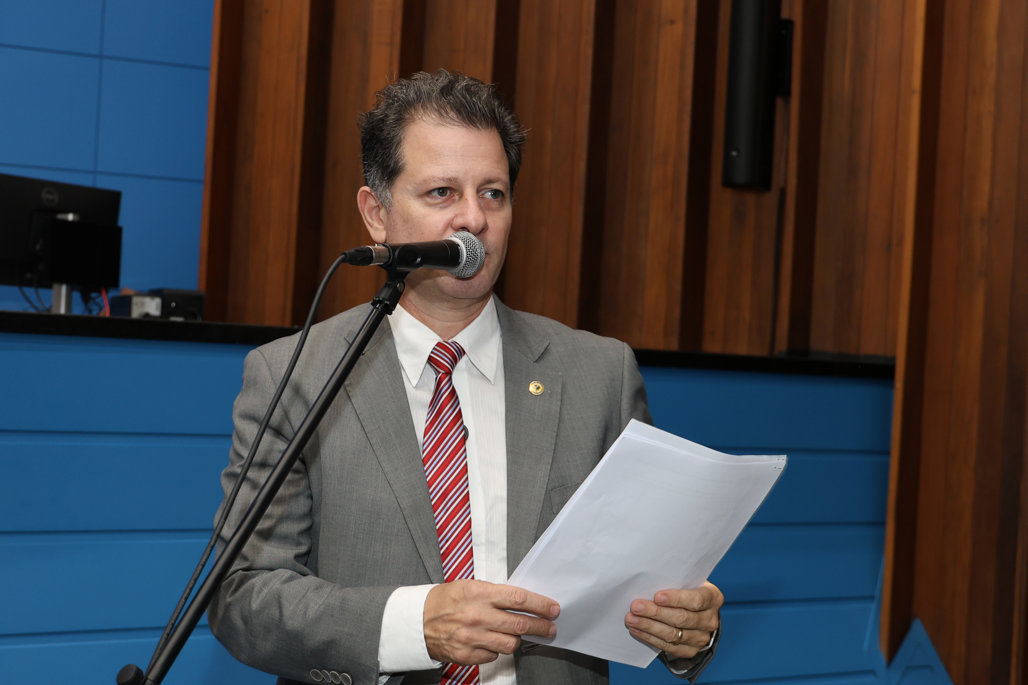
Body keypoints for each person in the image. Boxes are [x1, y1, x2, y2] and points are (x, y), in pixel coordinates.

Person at [208, 69, 723, 685]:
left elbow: (653, 582)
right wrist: (414, 624)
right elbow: (244, 597)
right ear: (376, 214)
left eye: (493, 194)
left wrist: (688, 630)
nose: (473, 219)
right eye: (441, 193)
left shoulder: (599, 374)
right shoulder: (294, 376)